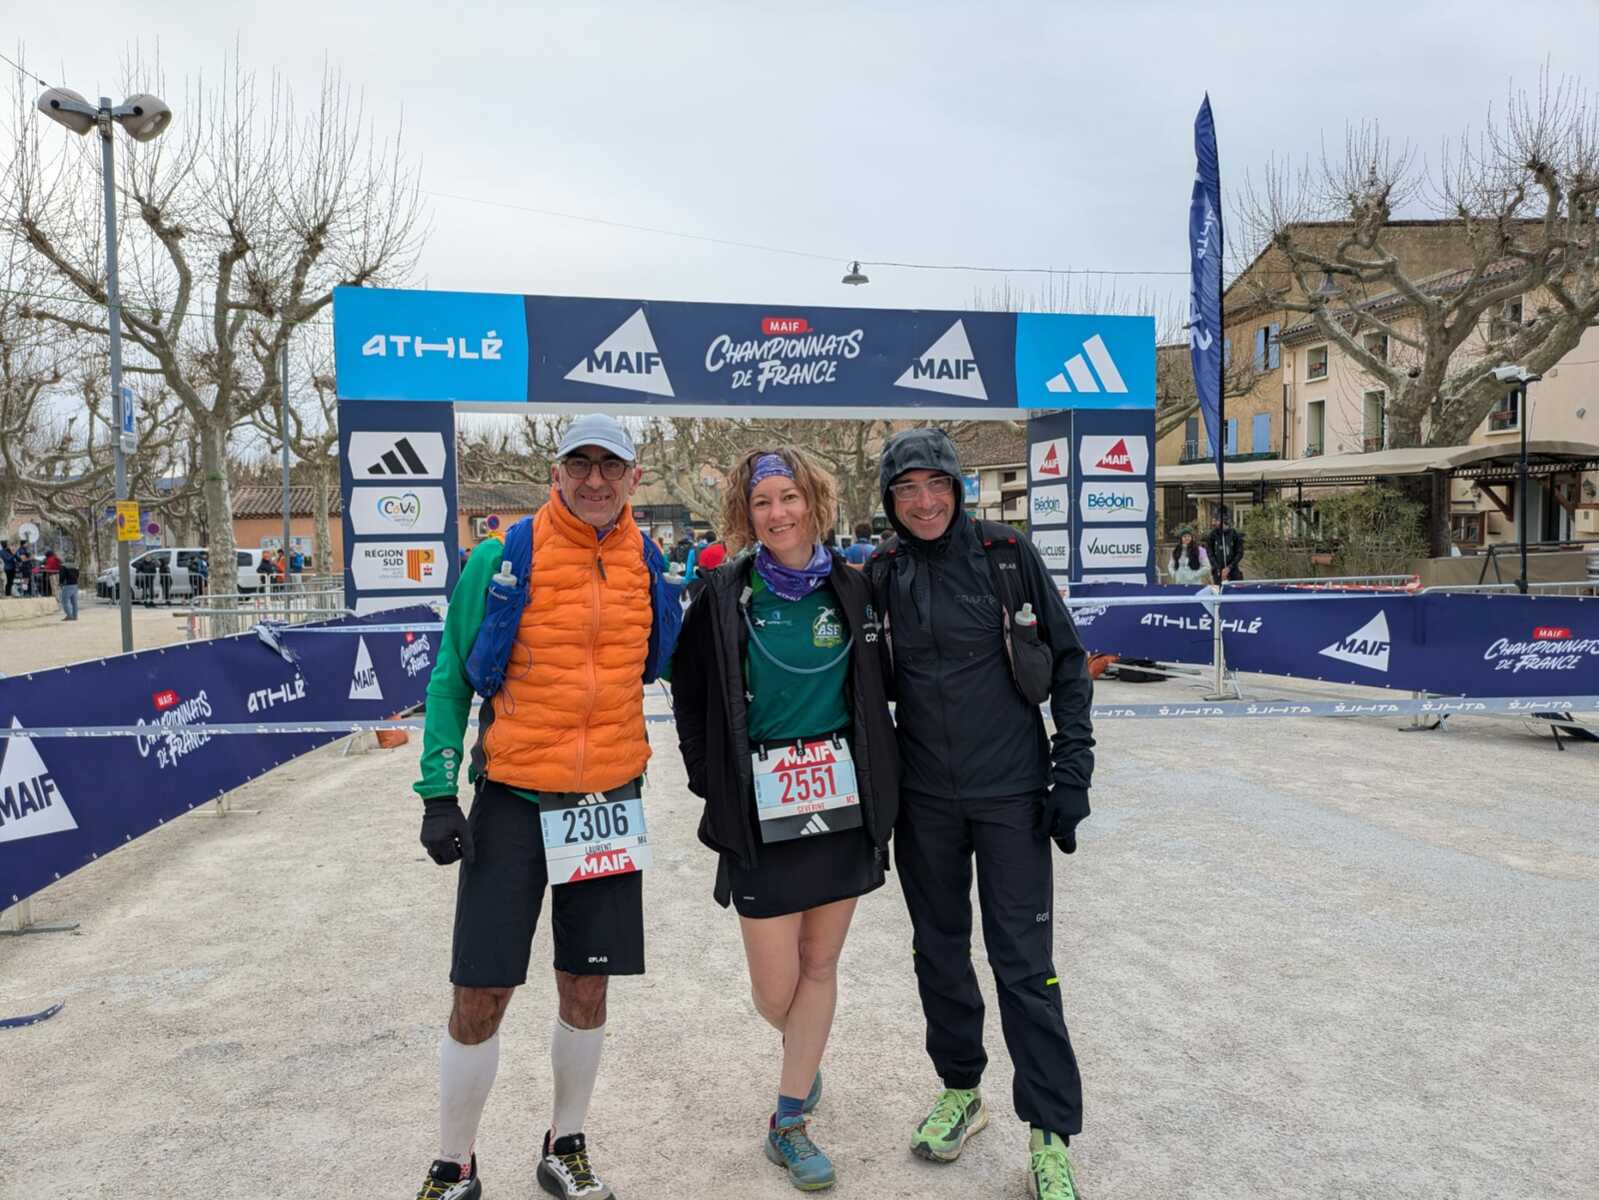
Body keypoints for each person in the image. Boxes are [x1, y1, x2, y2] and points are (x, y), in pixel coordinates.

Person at [410, 413, 674, 1200]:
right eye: (578, 464)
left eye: (610, 466)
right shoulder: (502, 557)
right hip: (515, 799)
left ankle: (566, 1144)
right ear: (554, 473)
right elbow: (451, 679)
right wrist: (437, 790)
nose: (594, 480)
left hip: (606, 800)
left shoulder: (648, 562)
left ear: (632, 477)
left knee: (586, 985)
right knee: (481, 990)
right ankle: (454, 1163)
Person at [867, 428, 1095, 1200]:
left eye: (935, 485)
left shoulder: (1006, 555)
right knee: (937, 953)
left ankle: (1049, 1131)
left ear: (958, 489)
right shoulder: (883, 571)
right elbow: (856, 685)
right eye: (905, 490)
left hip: (1010, 794)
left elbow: (1068, 663)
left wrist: (1071, 772)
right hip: (924, 801)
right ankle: (961, 1090)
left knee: (1023, 965)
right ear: (889, 501)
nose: (923, 502)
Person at [671, 449, 898, 1192]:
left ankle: (788, 1119)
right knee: (776, 991)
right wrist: (709, 779)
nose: (778, 513)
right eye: (762, 500)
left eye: (789, 496)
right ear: (746, 512)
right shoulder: (723, 594)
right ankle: (805, 1049)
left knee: (820, 967)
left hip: (842, 805)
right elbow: (687, 694)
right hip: (759, 810)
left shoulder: (855, 589)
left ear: (814, 502)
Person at [1206, 506, 1245, 584]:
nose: (1214, 523)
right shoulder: (1212, 535)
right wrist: (1218, 568)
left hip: (1233, 571)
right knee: (1219, 590)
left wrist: (1229, 567)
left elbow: (1240, 552)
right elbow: (1210, 554)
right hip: (1218, 572)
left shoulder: (1234, 534)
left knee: (1235, 589)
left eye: (1216, 520)